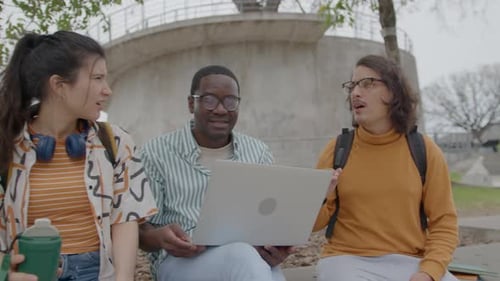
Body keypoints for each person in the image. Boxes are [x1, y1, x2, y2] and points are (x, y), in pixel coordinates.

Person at [0, 31, 158, 281]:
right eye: (97, 78)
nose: (107, 91)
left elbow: (125, 219)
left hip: (96, 272)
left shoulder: (116, 142)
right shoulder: (7, 143)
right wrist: (3, 270)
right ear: (59, 86)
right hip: (31, 272)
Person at [139, 65, 293, 281]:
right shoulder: (156, 153)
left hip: (248, 257)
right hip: (180, 263)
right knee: (244, 258)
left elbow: (268, 219)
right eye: (210, 100)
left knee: (264, 269)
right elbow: (140, 231)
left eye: (230, 101)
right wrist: (160, 238)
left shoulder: (258, 152)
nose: (221, 109)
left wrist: (274, 250)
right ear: (191, 103)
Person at [313, 55, 459, 281]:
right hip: (347, 261)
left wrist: (428, 273)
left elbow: (444, 223)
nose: (355, 93)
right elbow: (312, 225)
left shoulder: (425, 150)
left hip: (412, 262)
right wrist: (321, 197)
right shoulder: (337, 150)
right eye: (352, 85)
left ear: (394, 92)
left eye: (367, 83)